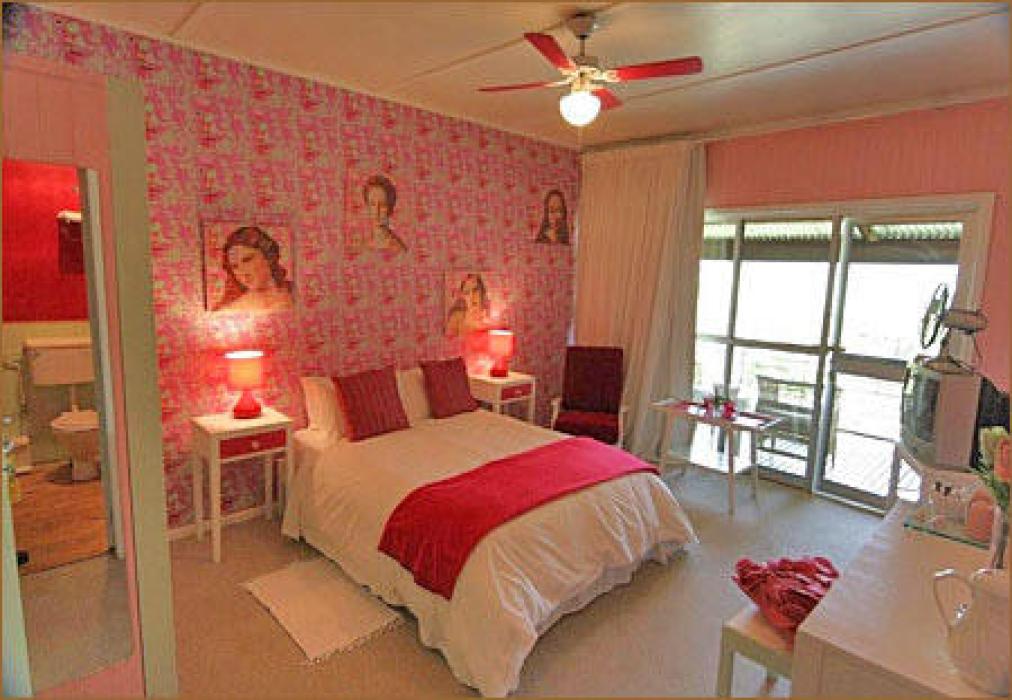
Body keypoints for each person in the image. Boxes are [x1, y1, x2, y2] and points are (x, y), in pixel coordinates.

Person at [212, 226, 293, 312]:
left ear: (268, 256)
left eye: (247, 260)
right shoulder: (232, 309)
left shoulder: (294, 292)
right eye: (235, 267)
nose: (243, 272)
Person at [360, 174, 407, 255]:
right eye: (373, 204)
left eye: (382, 205)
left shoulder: (398, 249)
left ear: (390, 208)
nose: (377, 211)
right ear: (367, 208)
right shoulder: (363, 246)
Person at [445, 273, 490, 338]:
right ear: (463, 296)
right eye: (467, 292)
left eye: (475, 290)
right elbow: (447, 339)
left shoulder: (488, 318)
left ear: (482, 291)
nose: (472, 296)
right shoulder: (457, 317)